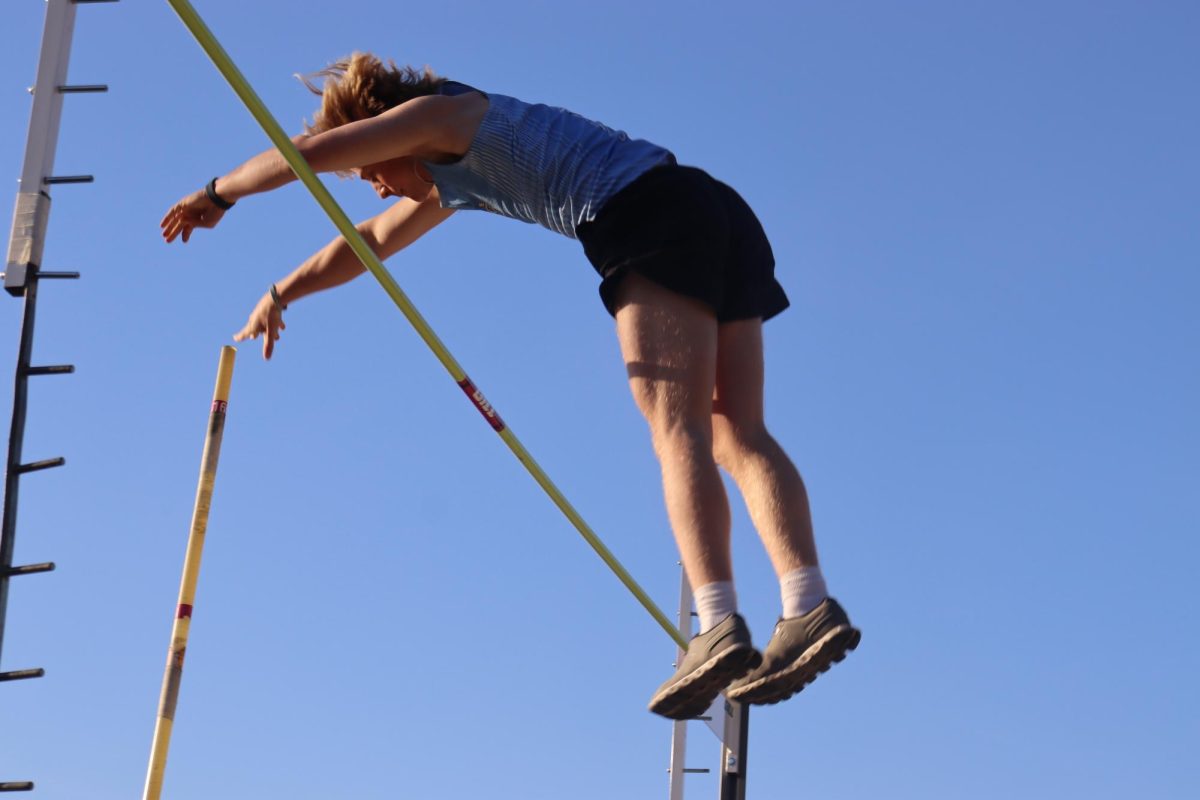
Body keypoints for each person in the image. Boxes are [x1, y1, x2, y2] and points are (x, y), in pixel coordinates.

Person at [161, 53, 859, 719]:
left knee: (676, 432)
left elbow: (305, 154)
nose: (372, 186)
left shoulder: (442, 117)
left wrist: (216, 193)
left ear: (379, 134)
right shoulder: (456, 166)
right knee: (735, 431)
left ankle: (715, 622)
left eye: (369, 170)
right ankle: (807, 605)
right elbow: (369, 240)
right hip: (714, 210)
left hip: (645, 216)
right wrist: (282, 291)